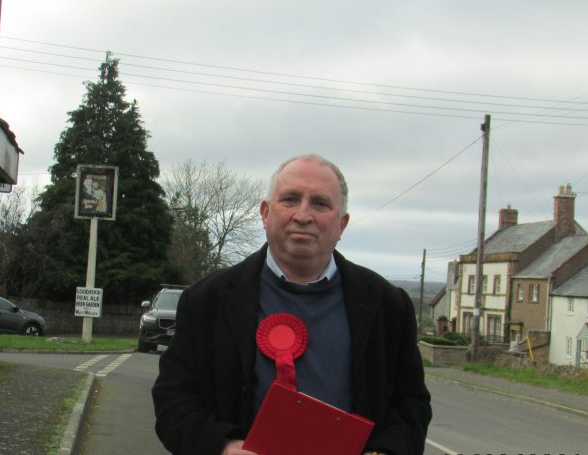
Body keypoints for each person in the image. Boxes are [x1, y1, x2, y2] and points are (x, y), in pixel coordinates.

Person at [152, 154, 432, 455]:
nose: (303, 214)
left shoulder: (388, 306)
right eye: (290, 199)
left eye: (320, 203)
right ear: (265, 213)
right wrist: (223, 447)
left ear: (342, 224)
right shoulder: (207, 300)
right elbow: (174, 399)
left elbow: (411, 405)